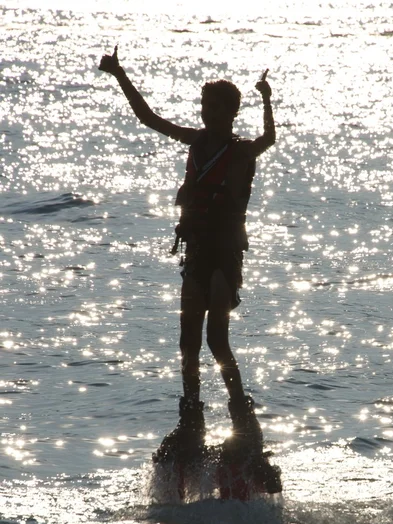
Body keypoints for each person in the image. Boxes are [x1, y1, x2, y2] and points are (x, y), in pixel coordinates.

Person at [99, 46, 276, 466]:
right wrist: (120, 74)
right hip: (196, 251)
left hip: (226, 252)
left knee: (217, 339)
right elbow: (149, 118)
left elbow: (270, 138)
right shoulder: (195, 142)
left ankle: (240, 415)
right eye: (204, 106)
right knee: (187, 341)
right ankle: (191, 417)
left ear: (231, 112)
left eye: (215, 107)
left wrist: (267, 100)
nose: (206, 113)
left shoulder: (242, 152)